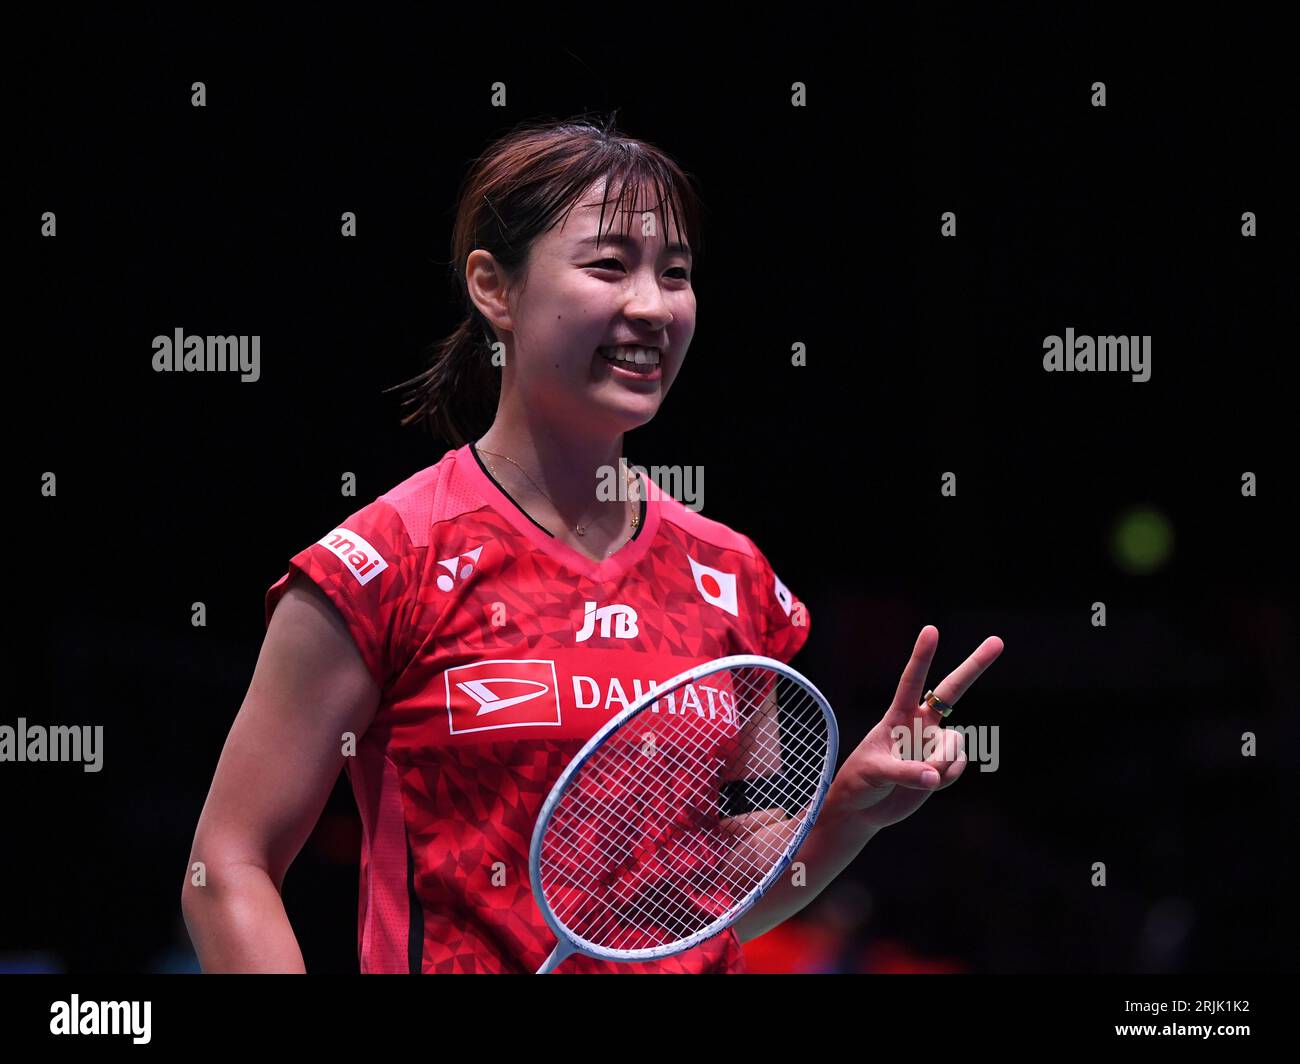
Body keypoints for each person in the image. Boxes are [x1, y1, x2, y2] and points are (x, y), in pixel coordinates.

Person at [181, 114, 1002, 974]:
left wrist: (849, 812)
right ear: (495, 289)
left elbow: (715, 900)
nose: (650, 305)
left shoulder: (732, 577)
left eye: (675, 274)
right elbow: (226, 869)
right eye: (609, 265)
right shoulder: (387, 562)